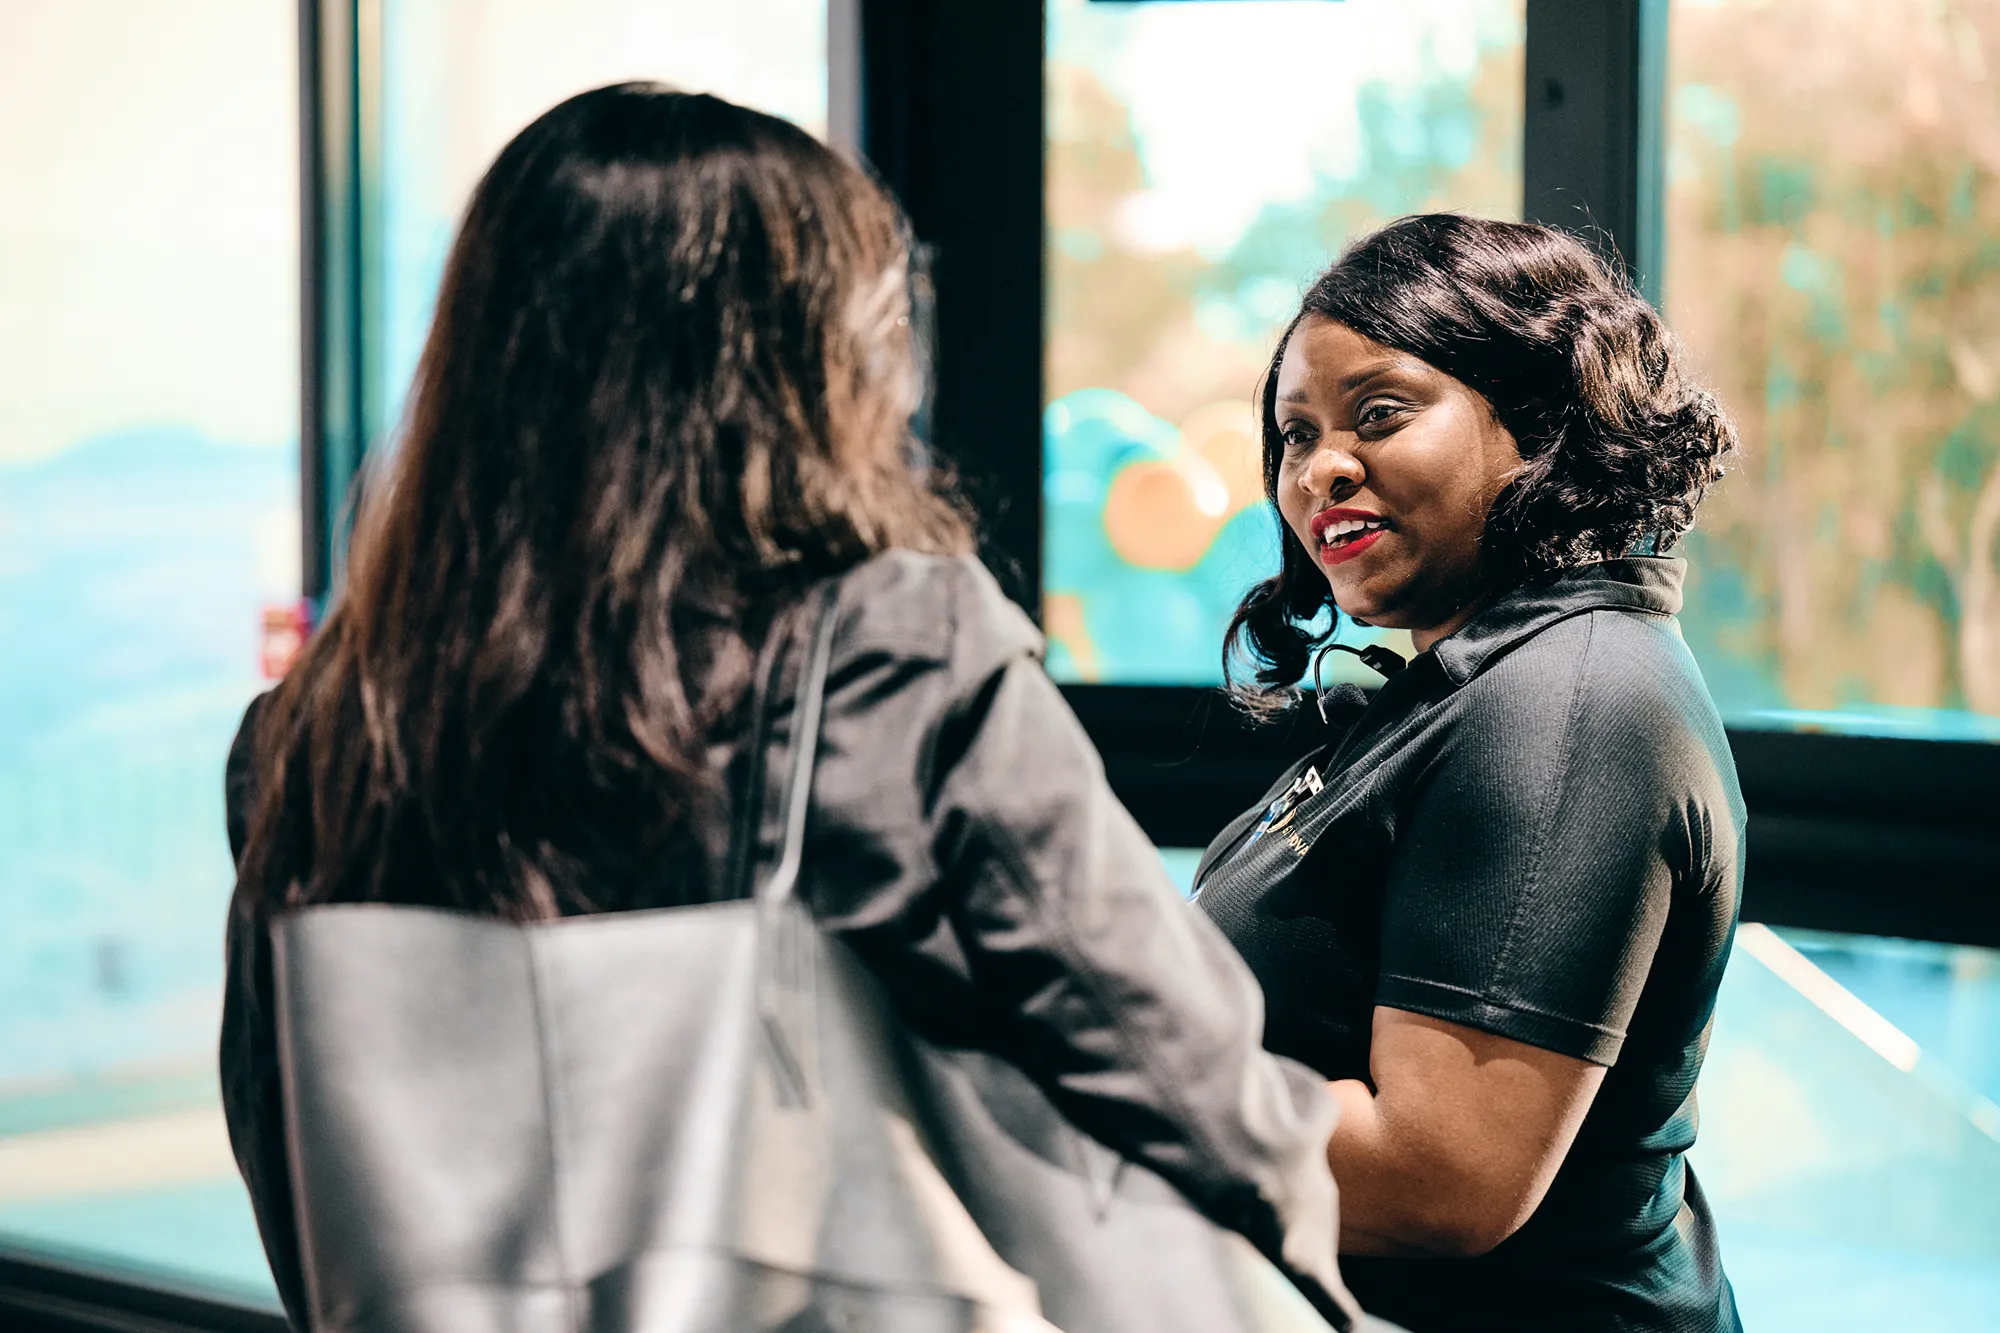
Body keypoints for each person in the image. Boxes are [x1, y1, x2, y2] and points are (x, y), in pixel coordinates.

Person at [218, 84, 1362, 1330]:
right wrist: (1301, 1239)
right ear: (816, 351)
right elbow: (1160, 1047)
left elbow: (294, 1137)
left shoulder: (316, 735)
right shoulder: (894, 645)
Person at [1193, 214, 1744, 1333]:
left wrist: (1080, 1079)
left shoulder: (1568, 702)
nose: (1318, 469)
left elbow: (1439, 1175)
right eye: (1294, 435)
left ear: (1538, 422)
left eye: (1378, 413)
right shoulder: (1483, 677)